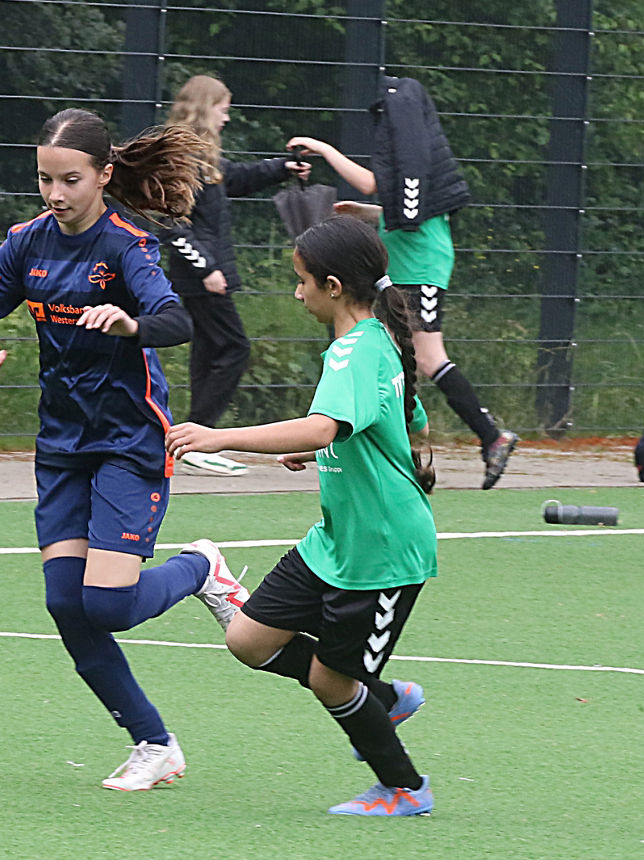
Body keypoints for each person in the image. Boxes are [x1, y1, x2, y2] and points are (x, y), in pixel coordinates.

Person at [0, 108, 250, 792]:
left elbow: (175, 321)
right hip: (63, 447)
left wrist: (130, 322)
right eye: (45, 179)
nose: (55, 193)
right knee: (64, 602)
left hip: (130, 443)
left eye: (70, 179)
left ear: (104, 176)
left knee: (106, 604)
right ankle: (153, 743)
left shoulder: (127, 246)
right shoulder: (25, 244)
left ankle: (199, 567)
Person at [166, 215, 438, 816]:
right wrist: (324, 446)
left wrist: (220, 438)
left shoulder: (354, 351)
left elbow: (328, 422)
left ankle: (404, 787)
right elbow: (403, 423)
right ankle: (383, 695)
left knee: (330, 680)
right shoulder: (373, 342)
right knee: (247, 638)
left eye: (302, 281)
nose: (297, 292)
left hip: (382, 553)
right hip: (336, 542)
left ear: (334, 287)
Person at [288, 75, 519, 489]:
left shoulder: (415, 158)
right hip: (406, 264)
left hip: (422, 267)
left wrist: (322, 149)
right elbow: (397, 206)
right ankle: (394, 444)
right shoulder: (416, 161)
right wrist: (369, 214)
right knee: (392, 357)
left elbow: (383, 190)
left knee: (427, 358)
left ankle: (492, 437)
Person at [158, 74, 309, 477]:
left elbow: (235, 178)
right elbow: (170, 223)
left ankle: (188, 442)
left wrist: (282, 167)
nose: (226, 117)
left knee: (209, 352)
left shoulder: (202, 155)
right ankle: (196, 440)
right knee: (234, 348)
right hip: (202, 275)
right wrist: (206, 268)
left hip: (207, 273)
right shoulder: (181, 157)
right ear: (206, 107)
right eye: (223, 109)